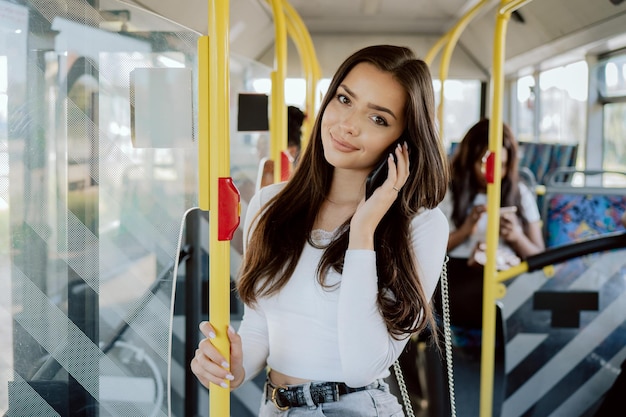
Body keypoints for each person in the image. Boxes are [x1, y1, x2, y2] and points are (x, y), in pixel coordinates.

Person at [191, 44, 450, 416]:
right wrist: (234, 367)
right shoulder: (269, 203)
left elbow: (365, 365)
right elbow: (262, 321)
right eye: (344, 99)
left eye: (378, 119)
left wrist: (363, 230)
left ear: (403, 141)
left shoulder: (420, 225)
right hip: (275, 408)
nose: (348, 124)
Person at [437, 118, 545, 416]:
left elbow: (538, 254)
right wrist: (467, 230)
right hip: (458, 274)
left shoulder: (520, 193)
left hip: (508, 273)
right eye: (483, 166)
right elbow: (431, 251)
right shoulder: (450, 192)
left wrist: (516, 237)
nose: (491, 175)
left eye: (500, 166)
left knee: (526, 295)